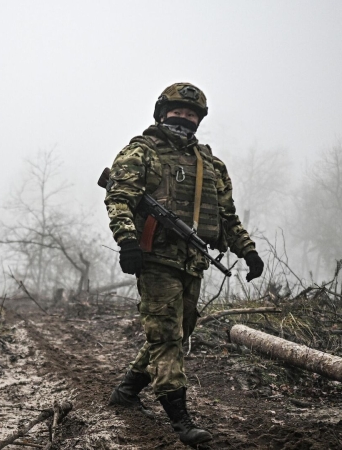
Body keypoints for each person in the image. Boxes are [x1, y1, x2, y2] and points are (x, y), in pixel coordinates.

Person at [103, 83, 264, 446]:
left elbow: (227, 217)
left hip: (192, 262)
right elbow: (119, 198)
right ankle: (181, 420)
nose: (185, 118)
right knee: (166, 338)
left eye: (192, 114)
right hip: (156, 259)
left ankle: (127, 391)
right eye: (178, 112)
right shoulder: (141, 152)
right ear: (162, 113)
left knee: (180, 330)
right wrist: (129, 241)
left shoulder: (211, 164)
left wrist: (248, 251)